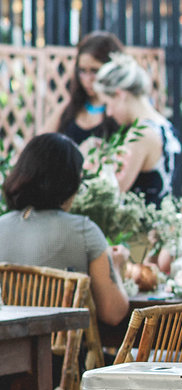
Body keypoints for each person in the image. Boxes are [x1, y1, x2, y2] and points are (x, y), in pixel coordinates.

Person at [0, 132, 130, 326]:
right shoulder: (84, 231)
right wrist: (117, 267)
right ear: (68, 183)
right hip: (64, 355)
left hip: (9, 352)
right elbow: (113, 313)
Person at [93, 53, 181, 207]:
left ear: (120, 95)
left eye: (108, 103)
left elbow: (113, 192)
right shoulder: (164, 126)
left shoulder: (140, 134)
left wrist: (98, 163)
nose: (109, 113)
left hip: (141, 227)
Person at [45, 30, 124, 148]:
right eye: (82, 71)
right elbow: (40, 146)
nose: (87, 79)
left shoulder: (121, 113)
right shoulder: (67, 109)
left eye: (94, 71)